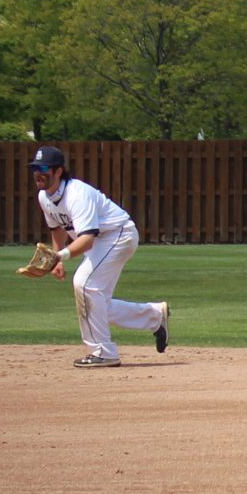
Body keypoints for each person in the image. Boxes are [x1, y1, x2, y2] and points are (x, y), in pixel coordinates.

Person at [31, 145, 169, 368]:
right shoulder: (44, 197)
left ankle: (103, 352)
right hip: (103, 240)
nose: (38, 173)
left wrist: (61, 256)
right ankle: (154, 316)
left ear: (58, 171)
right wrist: (56, 254)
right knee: (95, 299)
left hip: (118, 234)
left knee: (84, 284)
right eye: (35, 168)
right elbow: (57, 226)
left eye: (43, 168)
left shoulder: (76, 194)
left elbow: (87, 238)